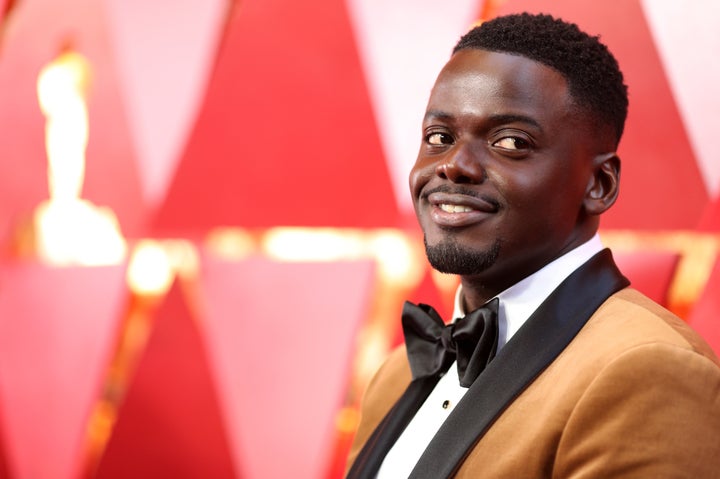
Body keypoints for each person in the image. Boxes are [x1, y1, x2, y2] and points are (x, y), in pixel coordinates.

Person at [345, 12, 720, 479]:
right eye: (439, 137)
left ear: (599, 184)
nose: (454, 166)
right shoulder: (396, 375)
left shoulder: (648, 368)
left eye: (510, 142)